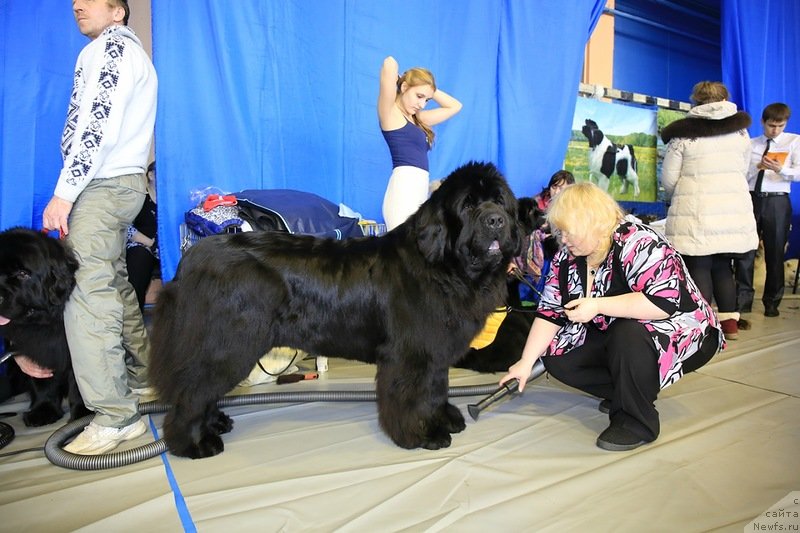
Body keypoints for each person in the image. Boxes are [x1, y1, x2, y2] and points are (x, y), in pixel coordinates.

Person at [25, 0, 157, 455]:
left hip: (102, 186)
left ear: (118, 12)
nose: (76, 5)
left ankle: (116, 416)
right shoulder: (129, 52)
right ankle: (144, 379)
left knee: (87, 293)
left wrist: (65, 191)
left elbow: (94, 128)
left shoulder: (110, 51)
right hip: (120, 185)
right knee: (115, 285)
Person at [501, 182, 723, 452]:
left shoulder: (640, 243)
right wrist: (525, 362)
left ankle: (635, 421)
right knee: (557, 355)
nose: (563, 239)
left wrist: (597, 306)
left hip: (686, 333)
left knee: (627, 333)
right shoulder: (567, 257)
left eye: (568, 231)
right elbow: (550, 313)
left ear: (592, 222)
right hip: (623, 333)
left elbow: (661, 303)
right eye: (559, 232)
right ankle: (626, 393)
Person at [659, 81, 757, 340]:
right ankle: (730, 326)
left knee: (699, 266)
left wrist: (676, 196)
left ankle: (703, 329)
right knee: (723, 267)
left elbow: (669, 178)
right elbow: (744, 169)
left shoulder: (683, 134)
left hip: (696, 212)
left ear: (696, 100)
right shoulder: (740, 133)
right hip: (732, 210)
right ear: (726, 99)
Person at [378, 56, 462, 230]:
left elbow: (455, 106)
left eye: (427, 100)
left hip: (419, 191)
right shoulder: (390, 114)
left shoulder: (419, 119)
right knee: (401, 252)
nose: (422, 104)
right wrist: (404, 78)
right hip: (402, 191)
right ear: (404, 87)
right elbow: (389, 63)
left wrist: (430, 89)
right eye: (419, 96)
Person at [735, 103, 800, 317]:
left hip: (777, 201)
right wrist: (757, 168)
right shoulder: (751, 144)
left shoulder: (793, 141)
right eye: (771, 125)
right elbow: (741, 176)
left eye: (780, 126)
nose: (775, 130)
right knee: (746, 251)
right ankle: (743, 300)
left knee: (774, 252)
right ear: (763, 122)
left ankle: (772, 302)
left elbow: (799, 173)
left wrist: (782, 170)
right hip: (752, 199)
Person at [126, 160, 159, 311]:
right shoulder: (139, 197)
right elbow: (126, 227)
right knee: (139, 258)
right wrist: (150, 243)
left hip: (165, 247)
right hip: (143, 245)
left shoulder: (170, 199)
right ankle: (134, 315)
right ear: (151, 175)